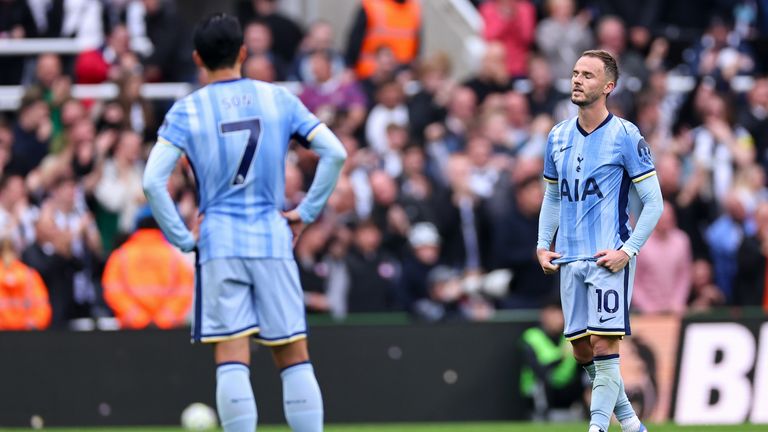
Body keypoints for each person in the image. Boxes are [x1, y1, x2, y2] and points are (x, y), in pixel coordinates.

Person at [142, 13, 347, 432]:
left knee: (231, 355)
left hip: (219, 242)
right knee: (292, 354)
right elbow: (335, 152)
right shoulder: (278, 98)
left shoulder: (187, 110)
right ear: (243, 52)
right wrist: (306, 212)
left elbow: (151, 181)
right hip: (272, 238)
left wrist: (182, 238)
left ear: (197, 58)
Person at [536, 50, 663, 432]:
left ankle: (597, 428)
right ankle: (632, 424)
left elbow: (654, 202)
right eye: (575, 73)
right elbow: (553, 196)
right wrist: (543, 244)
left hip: (608, 257)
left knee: (606, 347)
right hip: (569, 258)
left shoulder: (625, 135)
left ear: (609, 86)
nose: (577, 80)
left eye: (587, 75)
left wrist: (628, 250)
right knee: (581, 350)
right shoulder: (557, 136)